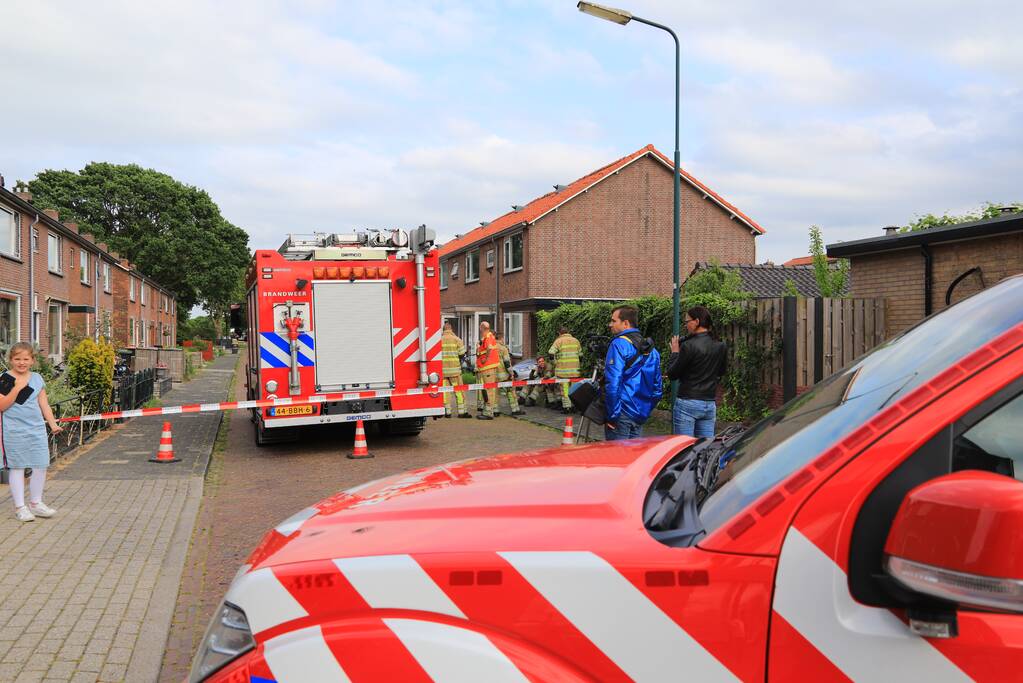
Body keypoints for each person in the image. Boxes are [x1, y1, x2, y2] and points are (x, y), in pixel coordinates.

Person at [0, 343, 63, 522]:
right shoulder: (4, 379)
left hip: (36, 429)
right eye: (17, 359)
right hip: (13, 431)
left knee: (40, 465)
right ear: (11, 360)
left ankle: (36, 504)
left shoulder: (37, 378)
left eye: (26, 359)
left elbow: (44, 404)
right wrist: (17, 388)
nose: (21, 362)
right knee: (18, 467)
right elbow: (2, 406)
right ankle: (20, 507)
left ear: (32, 360)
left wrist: (52, 424)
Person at [604, 305, 662, 440]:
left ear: (625, 323)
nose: (610, 324)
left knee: (618, 457)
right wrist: (645, 410)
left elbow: (613, 383)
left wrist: (612, 416)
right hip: (640, 414)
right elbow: (657, 389)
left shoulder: (618, 344)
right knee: (634, 458)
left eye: (613, 321)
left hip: (621, 412)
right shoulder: (652, 350)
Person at [668, 306, 727, 438]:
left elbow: (673, 374)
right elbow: (721, 371)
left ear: (697, 321)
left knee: (684, 447)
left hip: (687, 402)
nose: (686, 325)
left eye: (687, 321)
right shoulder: (720, 345)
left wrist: (675, 353)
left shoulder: (689, 346)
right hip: (709, 403)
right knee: (704, 449)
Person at [441, 322, 471, 418]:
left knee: (445, 392)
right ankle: (462, 412)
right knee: (458, 391)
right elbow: (462, 355)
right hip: (455, 371)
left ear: (443, 330)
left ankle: (447, 412)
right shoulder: (457, 339)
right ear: (451, 329)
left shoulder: (438, 340)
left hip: (443, 372)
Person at [548, 327, 581, 413]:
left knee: (565, 390)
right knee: (574, 389)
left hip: (563, 372)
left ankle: (567, 407)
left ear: (559, 333)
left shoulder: (558, 341)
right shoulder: (576, 341)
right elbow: (581, 355)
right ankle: (574, 407)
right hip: (575, 372)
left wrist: (554, 362)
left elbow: (551, 353)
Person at [475, 321, 500, 420]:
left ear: (482, 328)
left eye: (480, 328)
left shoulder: (488, 337)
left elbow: (489, 348)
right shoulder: (486, 338)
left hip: (488, 368)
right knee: (488, 389)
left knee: (489, 390)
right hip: (487, 368)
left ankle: (489, 413)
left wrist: (485, 358)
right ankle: (487, 411)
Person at [494, 333, 523, 416]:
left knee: (495, 393)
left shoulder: (491, 347)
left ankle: (496, 411)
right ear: (501, 338)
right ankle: (515, 410)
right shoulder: (503, 348)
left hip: (493, 375)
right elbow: (507, 362)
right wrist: (511, 373)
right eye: (503, 339)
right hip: (504, 375)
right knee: (511, 391)